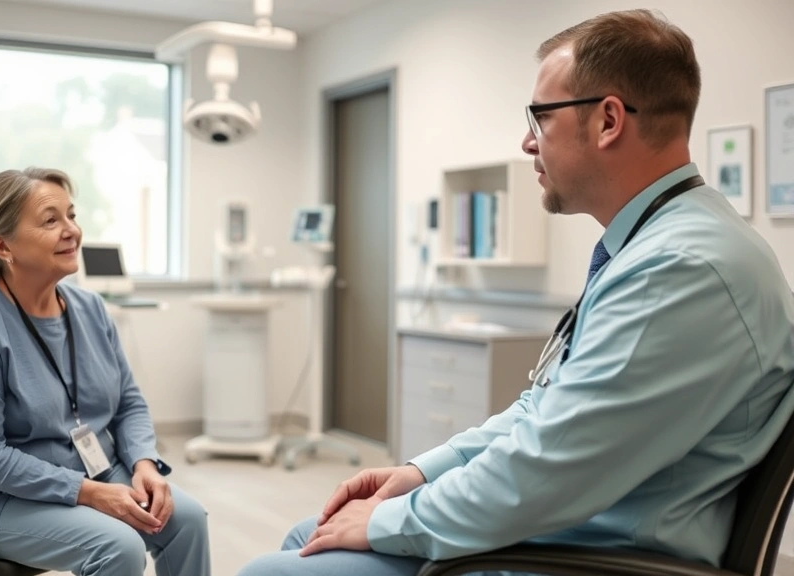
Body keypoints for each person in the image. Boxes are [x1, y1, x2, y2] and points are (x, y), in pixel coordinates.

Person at [237, 9, 794, 576]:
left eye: (540, 117)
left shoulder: (680, 269)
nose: (527, 142)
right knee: (309, 533)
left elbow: (546, 470)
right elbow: (548, 411)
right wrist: (423, 473)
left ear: (608, 121)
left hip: (588, 557)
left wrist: (389, 522)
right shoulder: (662, 245)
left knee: (273, 568)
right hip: (564, 531)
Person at [0, 167, 211, 576]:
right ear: (3, 246)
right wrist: (89, 493)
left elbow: (128, 402)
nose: (71, 230)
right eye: (51, 220)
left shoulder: (90, 309)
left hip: (89, 470)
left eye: (71, 215)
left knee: (188, 520)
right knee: (120, 547)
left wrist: (144, 463)